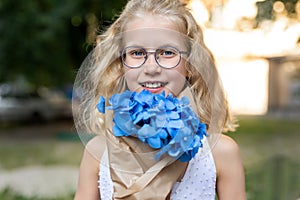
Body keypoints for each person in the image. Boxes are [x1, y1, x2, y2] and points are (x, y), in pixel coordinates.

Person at [73, 0, 246, 199]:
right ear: (121, 64)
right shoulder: (98, 151)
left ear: (190, 64)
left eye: (167, 53)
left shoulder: (220, 152)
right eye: (137, 53)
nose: (152, 68)